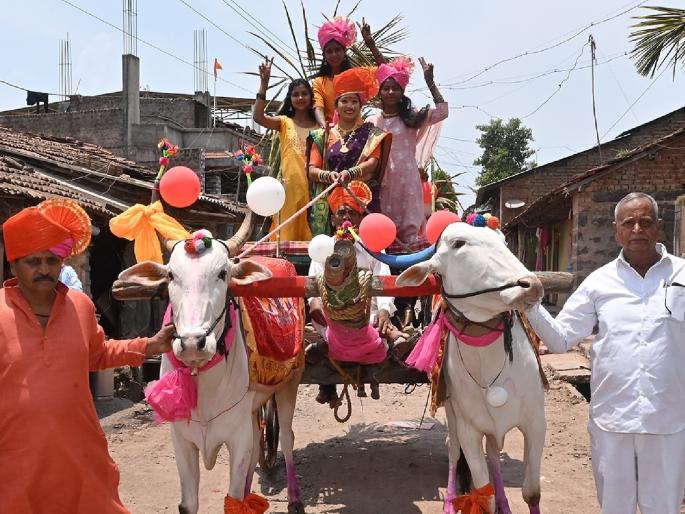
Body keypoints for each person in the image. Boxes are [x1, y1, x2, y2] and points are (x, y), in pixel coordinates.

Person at [0, 198, 175, 514]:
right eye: (33, 261)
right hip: (15, 460)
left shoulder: (80, 307)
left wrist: (150, 345)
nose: (44, 269)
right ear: (13, 264)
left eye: (52, 261)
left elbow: (98, 354)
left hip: (79, 454)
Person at [523, 192, 685, 514]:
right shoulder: (599, 282)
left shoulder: (681, 276)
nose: (637, 228)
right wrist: (531, 306)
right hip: (612, 422)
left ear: (659, 227)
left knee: (664, 509)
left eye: (645, 222)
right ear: (616, 231)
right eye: (629, 223)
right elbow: (561, 340)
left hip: (669, 422)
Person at [308, 181, 403, 406]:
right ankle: (390, 336)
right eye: (341, 212)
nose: (346, 216)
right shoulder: (323, 248)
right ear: (333, 220)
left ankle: (387, 332)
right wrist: (314, 303)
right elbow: (313, 281)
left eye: (352, 212)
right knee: (323, 322)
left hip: (368, 318)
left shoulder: (373, 248)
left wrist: (384, 310)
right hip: (332, 319)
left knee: (377, 321)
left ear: (360, 220)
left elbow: (384, 278)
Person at [367, 56, 448, 247]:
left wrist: (431, 83)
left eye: (396, 88)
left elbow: (443, 112)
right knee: (384, 225)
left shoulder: (412, 118)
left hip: (408, 180)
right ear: (380, 92)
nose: (391, 91)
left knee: (410, 225)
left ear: (402, 91)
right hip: (382, 180)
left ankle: (413, 263)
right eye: (386, 88)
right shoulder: (371, 122)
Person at [307, 66, 392, 235]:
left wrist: (350, 173)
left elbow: (373, 163)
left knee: (369, 248)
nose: (349, 106)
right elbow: (312, 170)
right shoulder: (323, 135)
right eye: (344, 101)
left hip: (364, 199)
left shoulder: (371, 133)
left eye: (354, 101)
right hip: (332, 202)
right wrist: (328, 176)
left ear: (360, 106)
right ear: (336, 105)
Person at [253, 58, 317, 241]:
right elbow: (258, 117)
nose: (300, 98)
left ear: (311, 97)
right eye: (296, 94)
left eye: (304, 94)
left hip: (314, 187)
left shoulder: (319, 126)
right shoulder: (284, 122)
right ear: (290, 98)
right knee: (286, 231)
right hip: (289, 187)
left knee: (312, 230)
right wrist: (263, 85)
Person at [313, 17, 384, 128]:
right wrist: (324, 127)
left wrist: (371, 45)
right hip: (331, 136)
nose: (334, 54)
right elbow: (318, 107)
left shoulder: (356, 76)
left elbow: (387, 73)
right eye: (329, 51)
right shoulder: (319, 82)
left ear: (344, 52)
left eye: (337, 50)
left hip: (357, 137)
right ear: (324, 56)